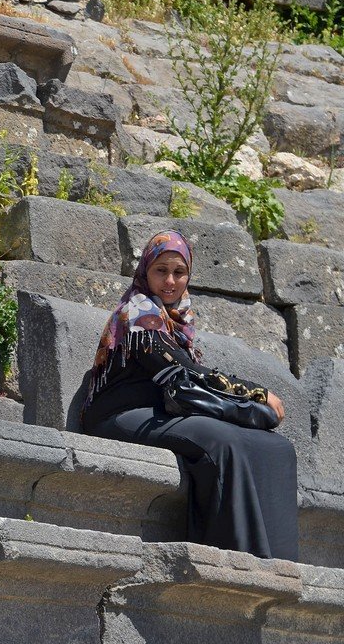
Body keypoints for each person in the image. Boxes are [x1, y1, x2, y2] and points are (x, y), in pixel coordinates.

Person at [81, 231, 298, 561]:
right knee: (221, 441)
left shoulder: (177, 319)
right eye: (160, 271)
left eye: (179, 273)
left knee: (275, 446)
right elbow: (183, 374)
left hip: (162, 411)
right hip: (117, 416)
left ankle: (279, 564)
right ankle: (234, 562)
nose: (170, 281)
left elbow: (186, 381)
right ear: (145, 272)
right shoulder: (137, 313)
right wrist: (254, 394)